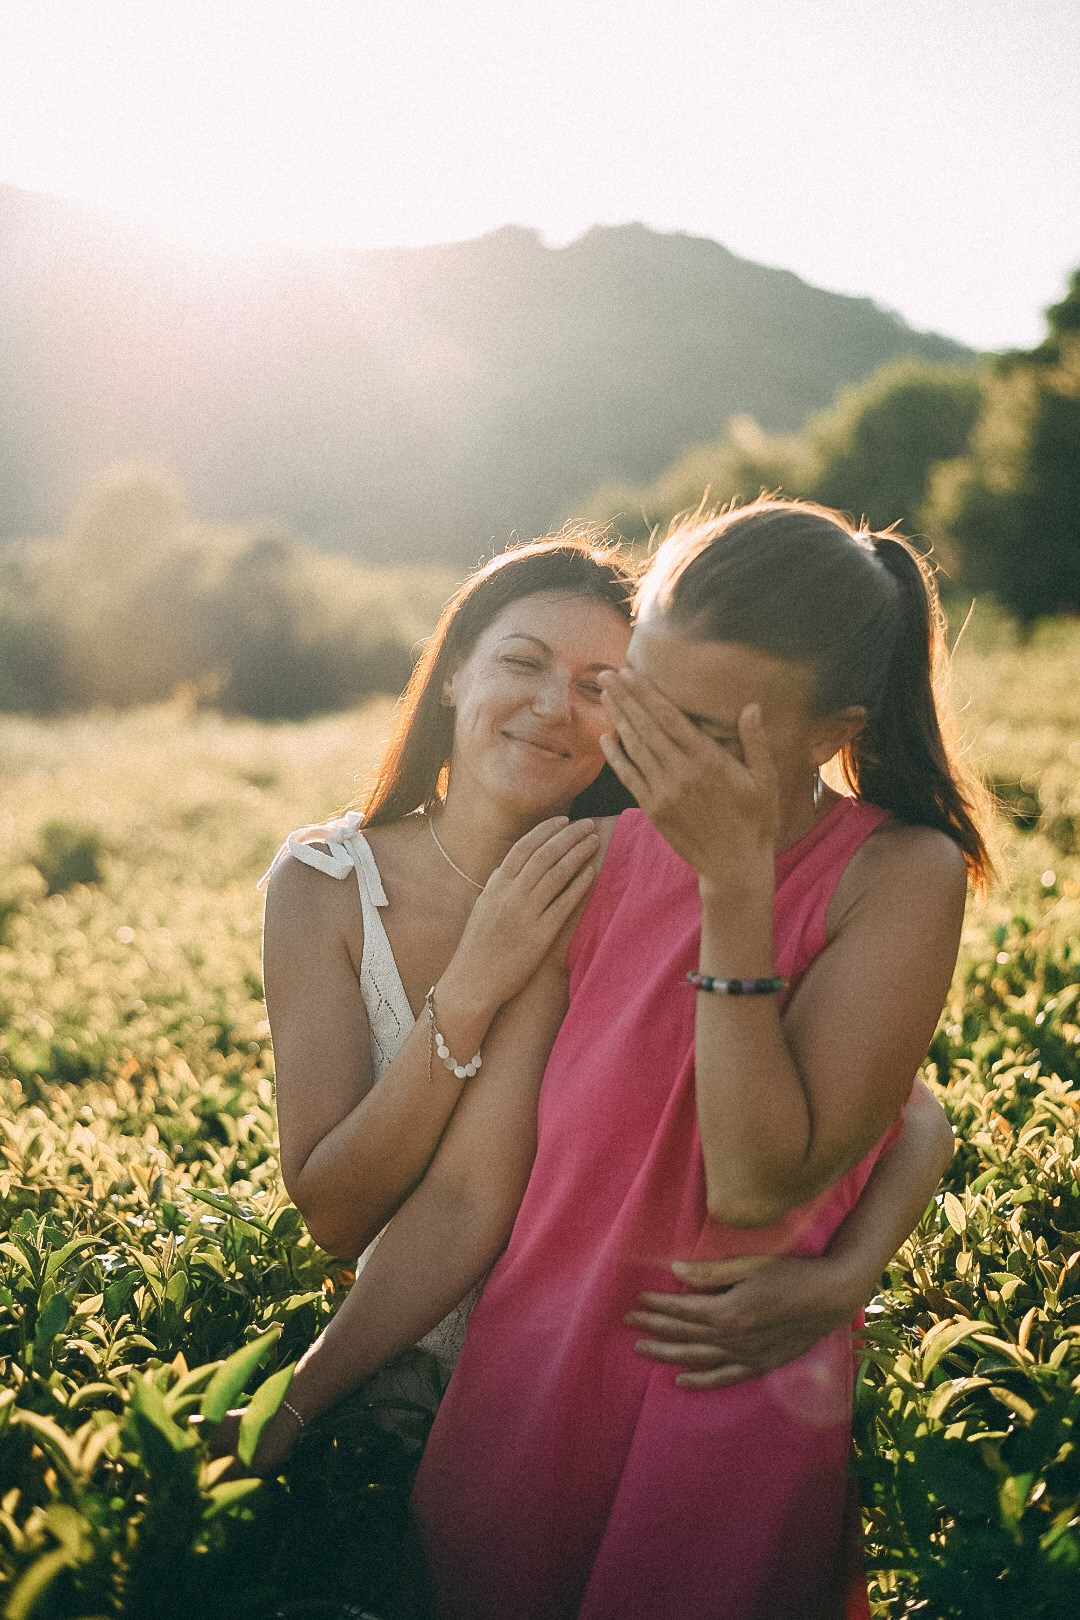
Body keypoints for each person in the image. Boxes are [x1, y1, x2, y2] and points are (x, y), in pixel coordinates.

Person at [247, 501, 989, 1619]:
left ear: (829, 732)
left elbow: (760, 1176)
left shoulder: (900, 875)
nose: (646, 748)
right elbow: (465, 1196)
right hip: (526, 1391)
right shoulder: (584, 862)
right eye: (640, 700)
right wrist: (295, 1403)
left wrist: (734, 891)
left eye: (699, 725)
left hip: (730, 1400)